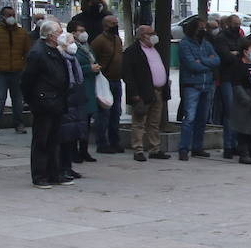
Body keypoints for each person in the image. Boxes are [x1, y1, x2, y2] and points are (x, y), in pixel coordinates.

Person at [21, 19, 69, 188]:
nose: (61, 35)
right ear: (49, 35)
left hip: (56, 100)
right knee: (42, 139)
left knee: (54, 139)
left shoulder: (56, 50)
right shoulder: (38, 52)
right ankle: (40, 175)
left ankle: (54, 173)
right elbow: (27, 80)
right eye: (58, 33)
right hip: (43, 101)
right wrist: (33, 100)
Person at [122, 25, 171, 162]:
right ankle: (138, 149)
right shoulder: (132, 52)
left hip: (158, 91)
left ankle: (154, 148)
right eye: (151, 33)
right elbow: (128, 75)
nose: (154, 35)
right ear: (142, 35)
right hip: (143, 93)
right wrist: (134, 94)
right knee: (139, 122)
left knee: (154, 122)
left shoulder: (155, 50)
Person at [177, 16, 220, 161]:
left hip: (206, 84)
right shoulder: (184, 44)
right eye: (200, 27)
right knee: (189, 118)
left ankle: (197, 147)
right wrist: (207, 63)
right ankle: (184, 148)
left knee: (202, 118)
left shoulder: (206, 44)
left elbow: (217, 60)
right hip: (192, 85)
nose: (203, 30)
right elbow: (191, 65)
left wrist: (202, 60)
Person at [0, 5, 28, 134]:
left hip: (17, 71)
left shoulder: (22, 32)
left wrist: (24, 67)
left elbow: (27, 52)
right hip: (1, 72)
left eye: (13, 15)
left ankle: (19, 124)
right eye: (8, 15)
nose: (11, 18)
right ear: (3, 16)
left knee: (18, 100)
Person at [55, 28, 89, 182]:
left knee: (71, 138)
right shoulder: (59, 58)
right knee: (63, 139)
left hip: (76, 101)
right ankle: (60, 168)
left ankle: (67, 167)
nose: (73, 45)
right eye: (70, 42)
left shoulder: (72, 58)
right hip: (65, 102)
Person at [227, 40, 251, 164]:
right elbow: (237, 84)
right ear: (245, 52)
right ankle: (243, 153)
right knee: (244, 128)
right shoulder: (239, 66)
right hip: (245, 100)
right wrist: (245, 98)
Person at [89, 15, 124, 153]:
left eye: (116, 22)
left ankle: (114, 141)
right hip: (105, 80)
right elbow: (93, 59)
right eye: (112, 23)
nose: (115, 25)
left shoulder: (117, 39)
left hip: (117, 80)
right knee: (103, 114)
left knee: (116, 113)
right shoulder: (99, 41)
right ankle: (102, 143)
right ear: (105, 26)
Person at [68, 21, 100, 166]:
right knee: (77, 122)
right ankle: (74, 151)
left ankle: (84, 150)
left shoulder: (87, 47)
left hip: (90, 87)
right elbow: (73, 66)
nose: (83, 33)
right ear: (73, 33)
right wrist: (89, 68)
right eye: (80, 30)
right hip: (79, 88)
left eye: (83, 30)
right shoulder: (71, 48)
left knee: (86, 122)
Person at [214, 14, 246, 158]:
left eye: (239, 23)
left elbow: (244, 54)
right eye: (235, 23)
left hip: (238, 77)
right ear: (228, 24)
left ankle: (235, 144)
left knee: (238, 112)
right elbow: (226, 56)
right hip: (226, 77)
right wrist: (237, 55)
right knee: (229, 112)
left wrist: (236, 54)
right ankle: (228, 145)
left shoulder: (240, 37)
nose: (237, 26)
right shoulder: (221, 38)